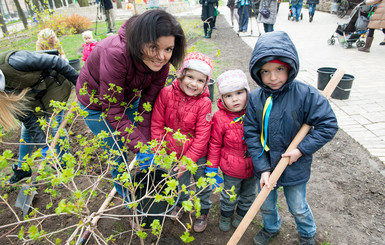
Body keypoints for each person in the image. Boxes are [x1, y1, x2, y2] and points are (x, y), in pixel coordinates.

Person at [76, 9, 186, 202]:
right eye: (154, 47)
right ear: (140, 41)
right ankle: (130, 198)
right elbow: (113, 110)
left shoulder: (162, 64)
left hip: (127, 95)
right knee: (116, 150)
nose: (161, 56)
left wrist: (144, 145)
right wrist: (141, 147)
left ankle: (150, 186)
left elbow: (147, 104)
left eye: (168, 49)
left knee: (142, 140)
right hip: (95, 105)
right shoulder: (116, 54)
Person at [244, 31, 338, 245]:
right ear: (258, 73)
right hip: (267, 165)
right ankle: (271, 227)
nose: (273, 77)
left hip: (295, 165)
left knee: (298, 206)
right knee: (266, 204)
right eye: (265, 72)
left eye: (279, 69)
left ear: (290, 67)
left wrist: (301, 149)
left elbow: (328, 124)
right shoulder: (255, 99)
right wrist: (263, 168)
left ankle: (306, 233)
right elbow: (250, 133)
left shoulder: (305, 95)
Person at [151, 52, 214, 233]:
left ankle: (203, 210)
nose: (194, 84)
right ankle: (180, 203)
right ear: (181, 74)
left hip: (198, 154)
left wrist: (189, 159)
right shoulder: (165, 94)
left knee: (202, 182)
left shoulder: (204, 103)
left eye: (200, 80)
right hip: (172, 151)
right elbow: (157, 124)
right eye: (190, 77)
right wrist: (158, 148)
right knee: (180, 182)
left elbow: (203, 135)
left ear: (205, 83)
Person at [0, 50, 78, 184]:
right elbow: (28, 120)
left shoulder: (14, 61)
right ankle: (23, 169)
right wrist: (45, 149)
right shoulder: (4, 97)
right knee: (26, 130)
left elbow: (56, 61)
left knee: (54, 125)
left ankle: (64, 166)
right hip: (33, 93)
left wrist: (80, 83)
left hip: (53, 82)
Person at [206, 69, 257, 232]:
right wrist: (212, 168)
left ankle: (242, 216)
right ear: (222, 98)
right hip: (231, 168)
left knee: (249, 195)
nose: (235, 99)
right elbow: (214, 144)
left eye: (239, 93)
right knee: (229, 194)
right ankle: (226, 215)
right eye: (228, 95)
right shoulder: (220, 118)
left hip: (254, 165)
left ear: (247, 92)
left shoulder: (255, 112)